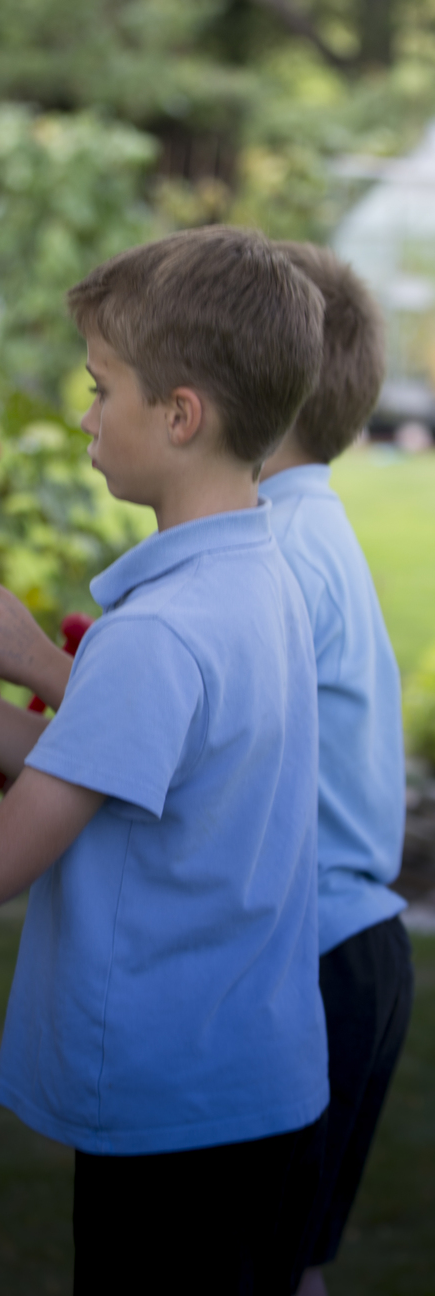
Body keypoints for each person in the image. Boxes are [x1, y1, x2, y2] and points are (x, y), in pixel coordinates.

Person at [0, 226, 329, 1293]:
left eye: (102, 390)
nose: (88, 414)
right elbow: (98, 762)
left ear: (179, 414)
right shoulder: (260, 575)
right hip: (256, 1088)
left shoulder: (160, 632)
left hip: (174, 1123)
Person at [261, 244, 413, 1296]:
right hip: (352, 951)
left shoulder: (267, 552)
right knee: (284, 1263)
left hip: (313, 967)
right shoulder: (311, 527)